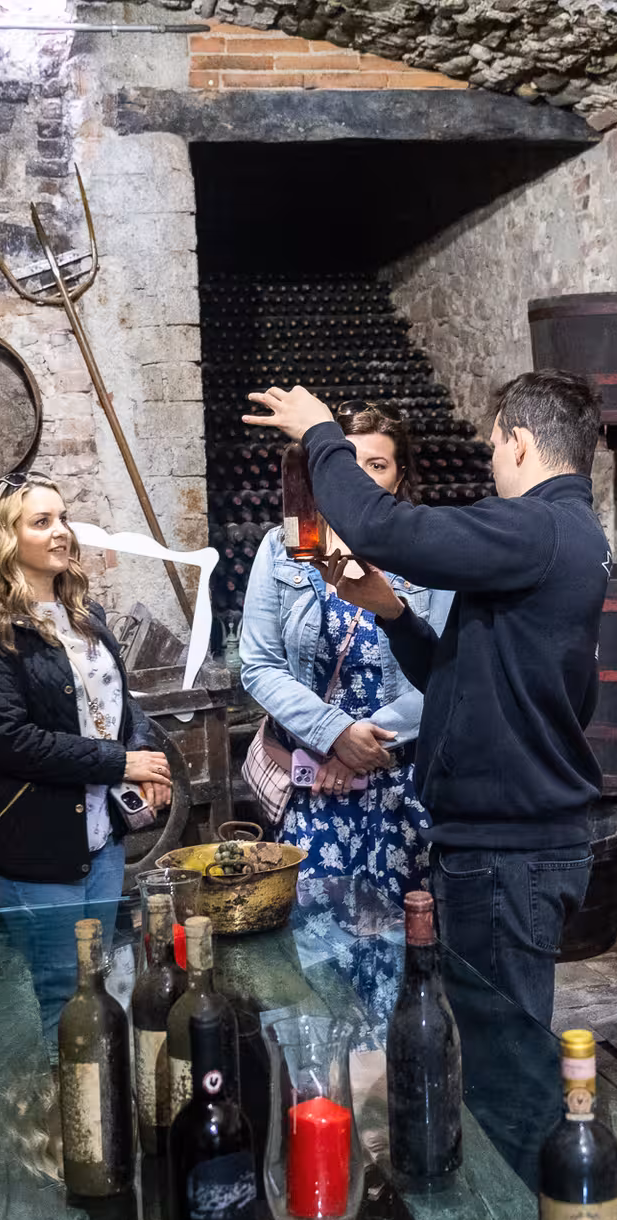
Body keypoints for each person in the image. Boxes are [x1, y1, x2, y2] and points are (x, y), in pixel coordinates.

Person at [244, 371, 610, 1028]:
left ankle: (508, 1129)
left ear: (519, 444)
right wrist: (394, 615)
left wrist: (320, 433)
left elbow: (380, 529)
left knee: (502, 1051)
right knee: (481, 1031)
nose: (493, 461)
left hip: (505, 843)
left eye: (496, 445)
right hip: (491, 836)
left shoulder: (534, 528)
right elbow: (459, 673)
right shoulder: (559, 533)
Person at [239, 403, 454, 1023]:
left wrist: (367, 741)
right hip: (315, 796)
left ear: (400, 476)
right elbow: (257, 664)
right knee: (314, 969)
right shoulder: (285, 550)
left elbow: (447, 669)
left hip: (400, 793)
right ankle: (327, 1102)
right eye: (347, 462)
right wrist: (334, 735)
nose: (360, 477)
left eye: (378, 464)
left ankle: (394, 1100)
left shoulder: (432, 553)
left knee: (402, 959)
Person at [0, 471, 173, 1046]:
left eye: (63, 518)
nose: (61, 533)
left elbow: (120, 706)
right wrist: (120, 764)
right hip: (36, 846)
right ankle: (70, 1127)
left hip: (101, 841)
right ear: (6, 539)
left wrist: (144, 750)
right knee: (61, 995)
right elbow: (9, 739)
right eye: (41, 522)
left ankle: (105, 1117)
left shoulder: (85, 614)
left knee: (103, 985)